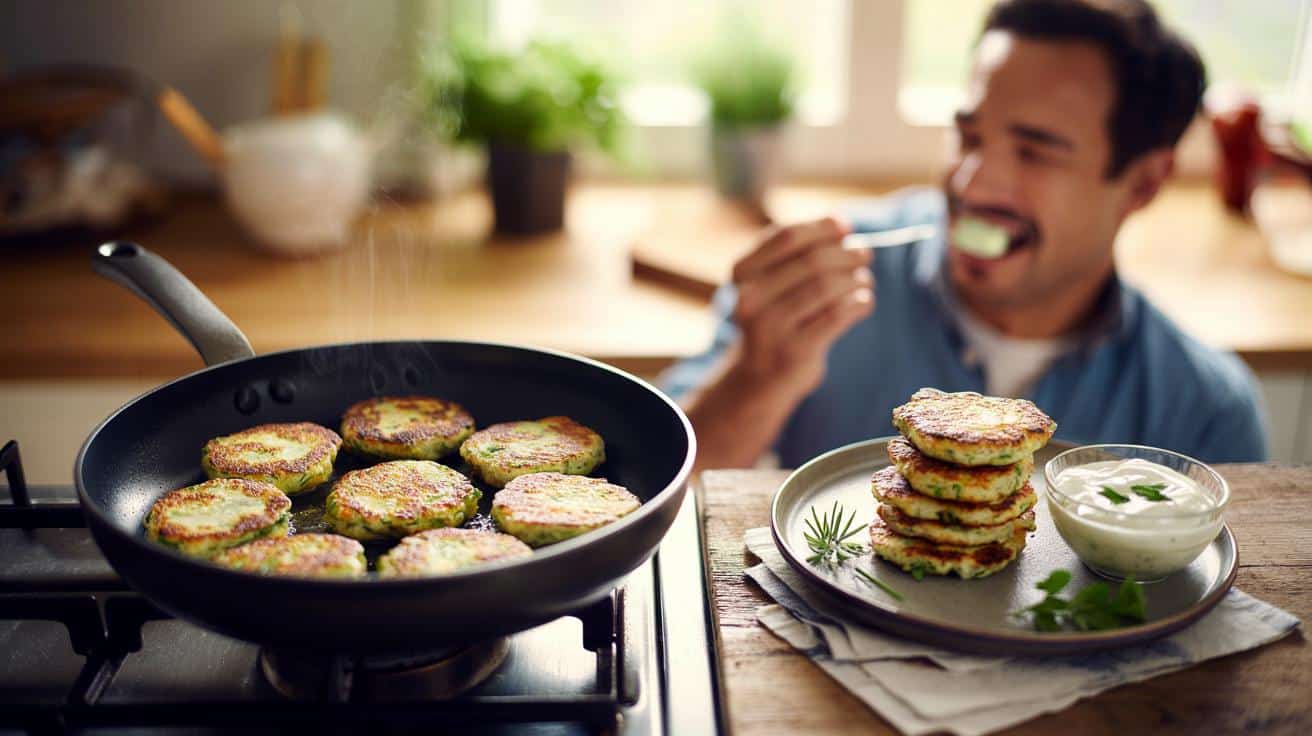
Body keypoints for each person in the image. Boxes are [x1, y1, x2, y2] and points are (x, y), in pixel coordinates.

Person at [662, 0, 1268, 471]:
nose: (973, 181)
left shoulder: (1206, 412)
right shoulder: (818, 287)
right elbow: (648, 501)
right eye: (970, 135)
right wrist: (753, 379)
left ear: (1141, 184)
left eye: (1034, 152)